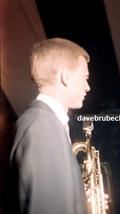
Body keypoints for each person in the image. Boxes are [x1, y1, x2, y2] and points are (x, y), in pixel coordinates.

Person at [5, 38, 90, 214]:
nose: (87, 87)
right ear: (66, 76)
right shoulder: (43, 127)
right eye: (85, 78)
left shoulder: (42, 122)